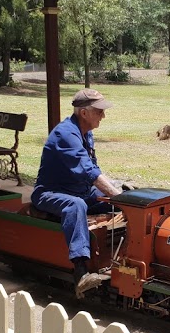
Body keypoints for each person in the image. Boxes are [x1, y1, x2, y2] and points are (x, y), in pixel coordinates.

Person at [31, 88, 123, 297]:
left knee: (115, 202)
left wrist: (120, 194)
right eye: (99, 111)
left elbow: (94, 170)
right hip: (50, 193)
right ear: (84, 113)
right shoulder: (65, 134)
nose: (103, 115)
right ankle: (81, 273)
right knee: (76, 205)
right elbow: (88, 170)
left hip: (79, 190)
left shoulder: (86, 133)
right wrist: (117, 195)